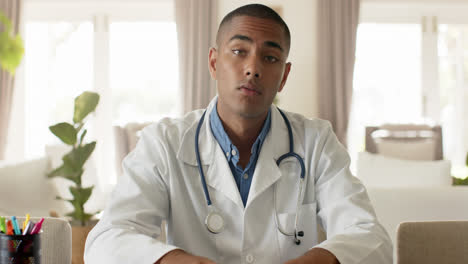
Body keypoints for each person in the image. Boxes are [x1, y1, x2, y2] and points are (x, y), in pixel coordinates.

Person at [84, 4, 392, 264]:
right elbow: (107, 240)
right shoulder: (164, 143)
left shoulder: (315, 141)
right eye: (238, 51)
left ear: (283, 76)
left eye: (269, 58)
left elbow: (371, 238)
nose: (252, 68)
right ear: (214, 62)